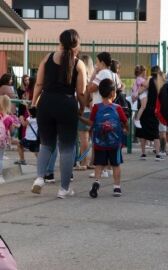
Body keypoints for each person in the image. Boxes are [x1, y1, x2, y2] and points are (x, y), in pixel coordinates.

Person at [30, 29, 87, 199]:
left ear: (59, 41)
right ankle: (63, 189)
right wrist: (82, 108)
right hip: (66, 104)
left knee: (46, 144)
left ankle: (40, 178)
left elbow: (39, 84)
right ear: (76, 44)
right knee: (67, 148)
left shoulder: (47, 58)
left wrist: (34, 103)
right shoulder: (78, 64)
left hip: (46, 103)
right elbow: (81, 92)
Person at [79, 78, 128, 198]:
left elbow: (91, 123)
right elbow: (125, 122)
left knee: (99, 165)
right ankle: (116, 187)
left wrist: (79, 117)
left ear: (100, 93)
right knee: (116, 165)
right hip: (114, 143)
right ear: (113, 93)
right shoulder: (117, 108)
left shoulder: (96, 107)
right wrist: (126, 129)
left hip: (100, 143)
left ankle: (96, 181)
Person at [136, 66, 163, 161]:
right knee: (155, 132)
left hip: (147, 108)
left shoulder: (150, 80)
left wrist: (136, 93)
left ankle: (143, 153)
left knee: (143, 131)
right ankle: (158, 154)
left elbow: (141, 90)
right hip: (156, 109)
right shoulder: (161, 82)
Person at [76, 54, 95, 170]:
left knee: (84, 138)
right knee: (92, 139)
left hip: (84, 111)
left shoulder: (84, 78)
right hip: (92, 111)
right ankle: (92, 162)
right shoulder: (93, 78)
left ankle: (84, 162)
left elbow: (86, 96)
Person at [0, 96, 20, 183]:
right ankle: (0, 177)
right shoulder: (9, 118)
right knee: (0, 159)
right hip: (2, 141)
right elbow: (12, 131)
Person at [15, 75, 30, 165]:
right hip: (22, 111)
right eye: (25, 80)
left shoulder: (31, 90)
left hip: (28, 113)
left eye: (28, 80)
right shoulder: (20, 89)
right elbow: (20, 100)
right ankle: (22, 159)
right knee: (21, 134)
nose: (27, 81)